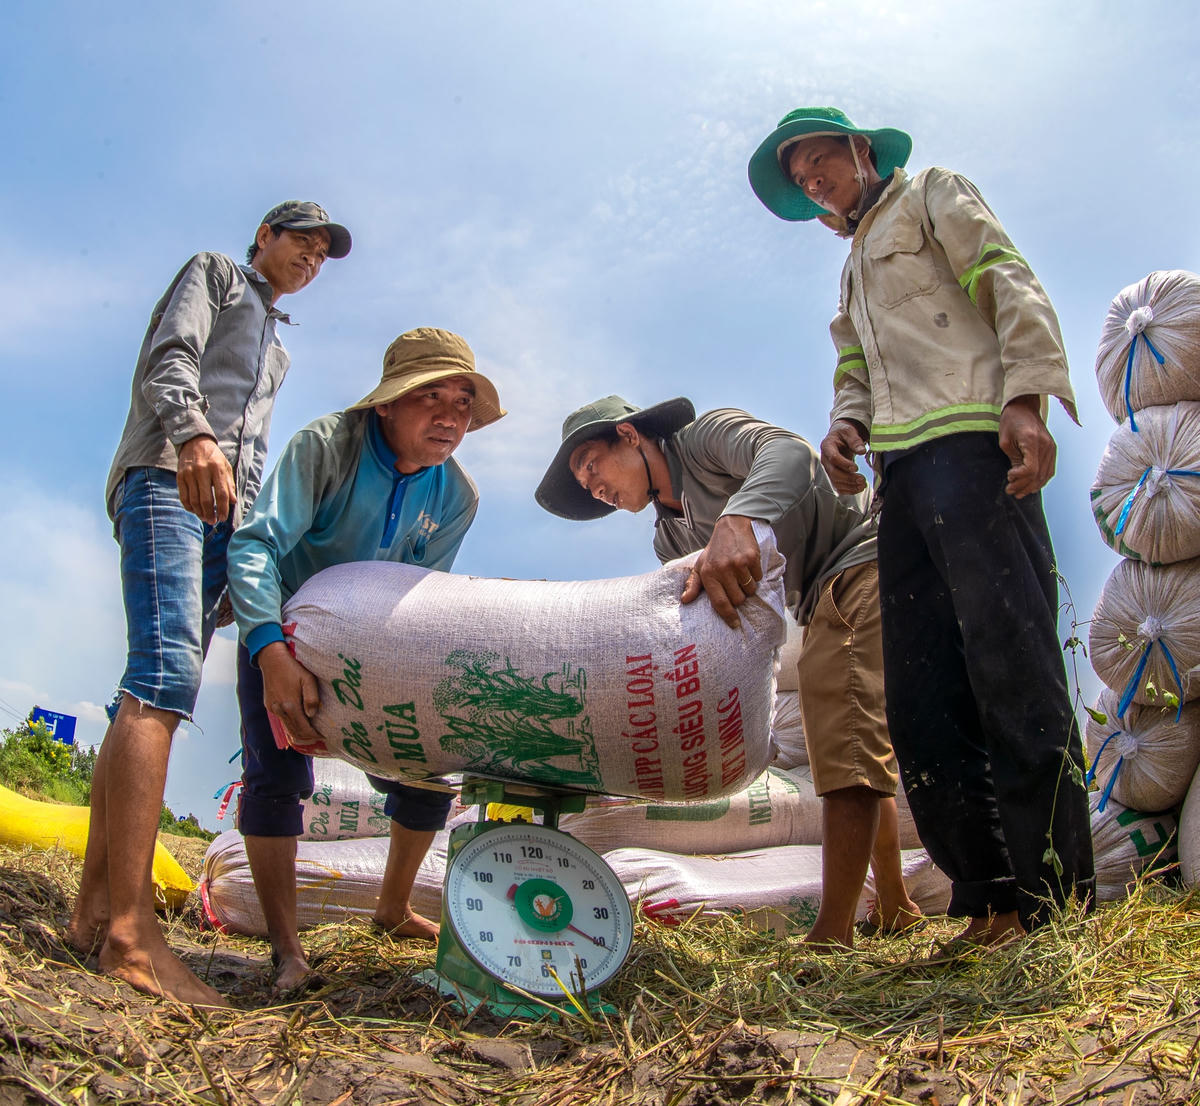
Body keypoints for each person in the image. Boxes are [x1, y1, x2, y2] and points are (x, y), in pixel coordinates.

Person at [748, 106, 1094, 948]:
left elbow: (1005, 278)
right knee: (922, 697)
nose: (815, 182)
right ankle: (987, 901)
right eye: (802, 179)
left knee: (1011, 666)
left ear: (862, 151)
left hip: (973, 447)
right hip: (899, 482)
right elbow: (855, 363)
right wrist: (845, 426)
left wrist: (1026, 399)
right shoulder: (851, 270)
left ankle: (1054, 903)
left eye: (822, 161)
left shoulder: (933, 194)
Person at [67, 201, 352, 1005]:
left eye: (325, 253)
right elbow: (169, 359)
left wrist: (240, 551)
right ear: (265, 235)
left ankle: (94, 909)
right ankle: (130, 935)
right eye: (303, 241)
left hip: (221, 514)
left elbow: (252, 448)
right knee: (160, 677)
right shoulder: (216, 275)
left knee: (156, 685)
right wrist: (193, 436)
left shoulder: (280, 352)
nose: (313, 258)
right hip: (166, 473)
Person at [536, 396, 923, 949]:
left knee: (844, 734)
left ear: (629, 435)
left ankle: (832, 934)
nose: (593, 486)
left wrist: (740, 516)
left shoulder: (705, 438)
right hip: (815, 597)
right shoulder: (669, 538)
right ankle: (894, 904)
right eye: (585, 485)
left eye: (592, 465)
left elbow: (790, 454)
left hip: (859, 555)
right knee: (846, 741)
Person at [226, 327, 505, 993]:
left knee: (430, 769)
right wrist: (269, 651)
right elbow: (255, 547)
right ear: (385, 404)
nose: (448, 417)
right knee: (277, 778)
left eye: (462, 403)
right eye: (428, 396)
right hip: (283, 633)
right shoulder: (326, 449)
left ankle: (392, 907)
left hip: (377, 646)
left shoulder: (456, 498)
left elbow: (418, 599)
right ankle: (288, 949)